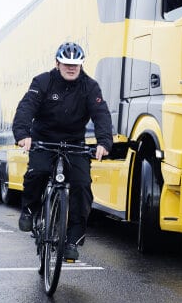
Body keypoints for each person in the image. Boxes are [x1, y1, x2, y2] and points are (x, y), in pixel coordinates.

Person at [12, 41, 112, 261]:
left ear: (81, 65)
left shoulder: (90, 86)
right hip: (43, 140)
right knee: (37, 172)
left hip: (74, 143)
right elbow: (26, 106)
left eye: (75, 64)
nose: (71, 68)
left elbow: (101, 113)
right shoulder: (43, 81)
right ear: (57, 63)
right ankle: (29, 210)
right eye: (66, 63)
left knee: (82, 186)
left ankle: (72, 240)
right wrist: (22, 134)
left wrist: (104, 142)